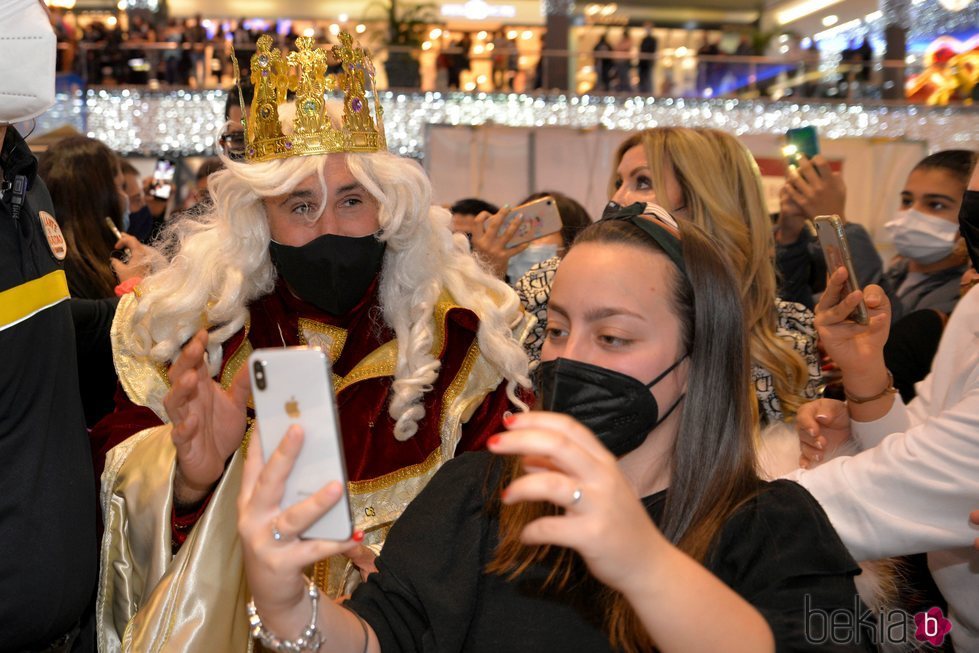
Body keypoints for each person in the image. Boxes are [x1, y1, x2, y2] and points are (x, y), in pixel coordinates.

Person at [238, 213, 874, 653]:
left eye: (614, 337)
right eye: (561, 329)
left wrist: (644, 563)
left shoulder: (775, 529)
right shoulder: (479, 492)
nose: (572, 358)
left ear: (700, 359)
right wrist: (288, 606)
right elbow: (385, 636)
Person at [94, 33, 532, 650]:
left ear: (387, 208)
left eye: (351, 200)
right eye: (300, 206)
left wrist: (427, 581)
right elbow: (117, 516)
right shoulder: (189, 332)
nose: (330, 227)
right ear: (257, 217)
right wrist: (190, 478)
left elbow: (512, 527)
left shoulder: (464, 344)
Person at [519, 128, 818, 423]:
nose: (617, 200)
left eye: (643, 182)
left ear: (705, 199)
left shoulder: (784, 334)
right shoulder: (553, 289)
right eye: (618, 182)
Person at [0, 1, 98, 649]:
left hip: (61, 620)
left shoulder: (22, 179)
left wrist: (170, 313)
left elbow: (43, 327)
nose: (36, 18)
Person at [775, 154, 884, 310]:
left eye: (932, 204)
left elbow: (867, 311)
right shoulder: (899, 270)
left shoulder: (904, 273)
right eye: (906, 201)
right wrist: (789, 237)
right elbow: (792, 311)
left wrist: (835, 225)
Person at [881, 149, 976, 322]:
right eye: (907, 201)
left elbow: (892, 339)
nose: (912, 213)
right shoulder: (894, 273)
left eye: (936, 205)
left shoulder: (964, 293)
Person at [637, 23, 657, 94]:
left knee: (648, 78)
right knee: (642, 77)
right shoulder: (643, 39)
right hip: (642, 62)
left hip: (648, 62)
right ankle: (642, 91)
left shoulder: (653, 40)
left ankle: (649, 92)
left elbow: (653, 51)